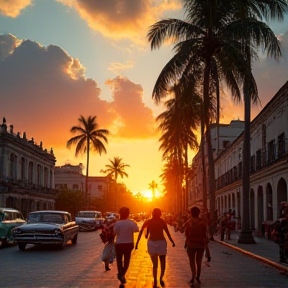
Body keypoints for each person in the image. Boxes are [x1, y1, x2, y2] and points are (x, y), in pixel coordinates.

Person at [135, 208, 175, 288]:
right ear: (160, 213)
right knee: (162, 261)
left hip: (152, 243)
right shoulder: (162, 221)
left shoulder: (148, 222)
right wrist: (172, 242)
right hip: (161, 243)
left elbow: (140, 232)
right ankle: (161, 277)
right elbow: (167, 233)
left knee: (155, 264)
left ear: (152, 213)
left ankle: (155, 280)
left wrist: (137, 243)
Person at [113, 207, 139, 284]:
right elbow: (136, 230)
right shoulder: (131, 223)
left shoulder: (117, 223)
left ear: (120, 214)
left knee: (119, 260)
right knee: (127, 260)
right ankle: (122, 274)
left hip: (119, 243)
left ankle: (120, 273)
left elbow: (115, 232)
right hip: (129, 243)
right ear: (128, 214)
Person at [185, 206, 208, 287]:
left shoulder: (189, 222)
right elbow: (205, 235)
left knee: (192, 261)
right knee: (199, 261)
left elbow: (186, 233)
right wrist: (207, 247)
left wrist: (186, 243)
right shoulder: (203, 222)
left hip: (191, 244)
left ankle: (193, 276)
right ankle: (198, 276)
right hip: (200, 244)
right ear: (199, 213)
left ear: (191, 213)